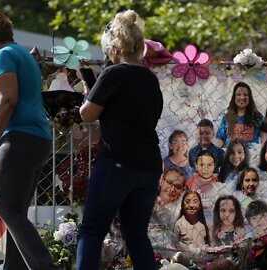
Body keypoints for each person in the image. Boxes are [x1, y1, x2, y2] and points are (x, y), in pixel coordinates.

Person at [0, 10, 58, 270]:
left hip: (17, 140)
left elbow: (7, 99)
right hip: (36, 140)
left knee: (8, 210)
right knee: (15, 213)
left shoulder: (4, 54)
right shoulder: (23, 55)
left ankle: (45, 267)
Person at [77, 10, 163, 270]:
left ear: (114, 47)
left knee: (91, 230)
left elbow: (88, 114)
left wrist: (86, 90)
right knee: (137, 236)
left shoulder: (113, 74)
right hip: (148, 166)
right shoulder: (151, 79)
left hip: (116, 163)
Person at [215, 82, 264, 148]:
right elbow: (220, 139)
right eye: (238, 94)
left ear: (250, 98)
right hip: (230, 154)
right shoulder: (227, 117)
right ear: (234, 97)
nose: (242, 97)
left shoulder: (257, 117)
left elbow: (264, 137)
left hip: (250, 154)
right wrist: (212, 152)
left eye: (245, 95)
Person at [173, 190, 211, 257]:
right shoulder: (179, 224)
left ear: (200, 206)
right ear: (182, 205)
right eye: (187, 202)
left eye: (195, 202)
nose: (191, 205)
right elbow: (174, 247)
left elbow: (210, 245)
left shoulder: (205, 224)